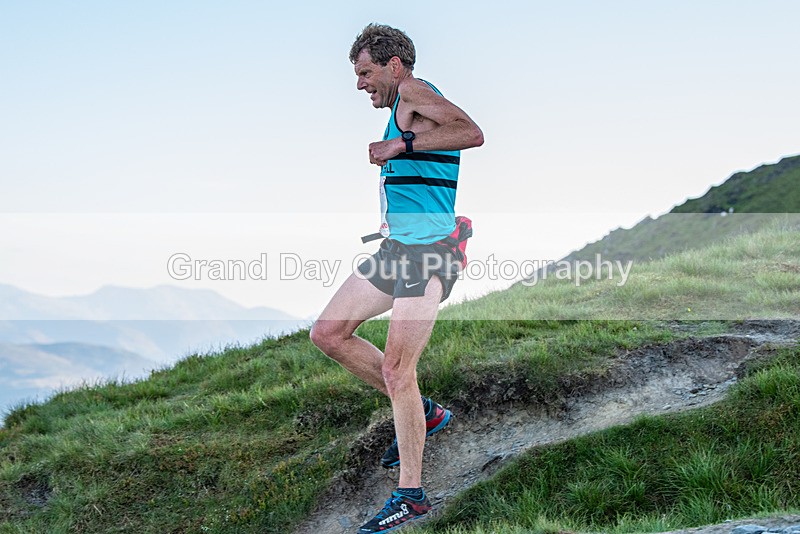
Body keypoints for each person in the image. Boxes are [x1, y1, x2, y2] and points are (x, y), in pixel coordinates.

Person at [309, 23, 483, 533]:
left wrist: (401, 146)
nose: (360, 83)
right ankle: (423, 413)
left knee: (397, 371)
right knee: (328, 333)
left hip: (430, 255)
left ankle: (411, 495)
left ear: (393, 64)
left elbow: (473, 133)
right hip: (397, 251)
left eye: (364, 72)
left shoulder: (412, 91)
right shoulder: (398, 104)